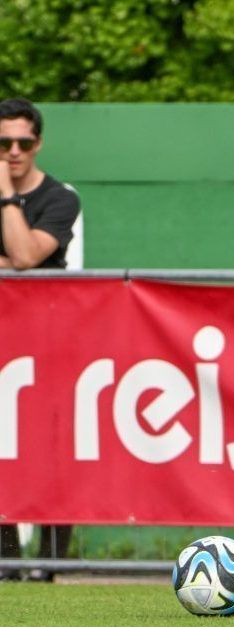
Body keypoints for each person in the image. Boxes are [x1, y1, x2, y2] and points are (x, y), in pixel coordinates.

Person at [0, 97, 81, 581]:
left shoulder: (60, 198)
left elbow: (28, 256)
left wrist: (7, 197)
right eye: (3, 142)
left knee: (51, 448)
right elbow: (23, 258)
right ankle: (6, 560)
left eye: (23, 142)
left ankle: (49, 563)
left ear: (38, 144)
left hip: (49, 341)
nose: (13, 151)